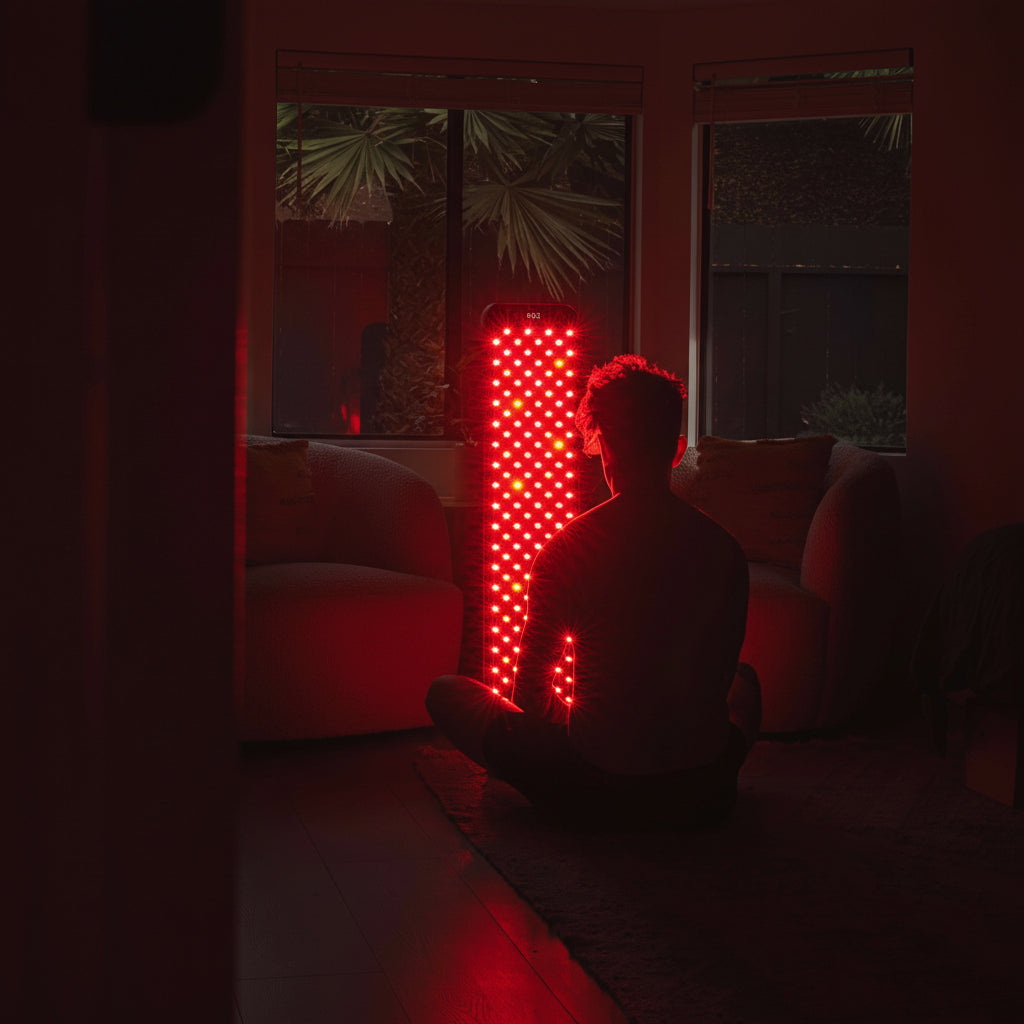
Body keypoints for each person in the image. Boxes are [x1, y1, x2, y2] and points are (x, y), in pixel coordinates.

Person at [426, 354, 760, 828]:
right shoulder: (726, 550)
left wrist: (583, 723)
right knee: (749, 685)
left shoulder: (568, 550)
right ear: (678, 448)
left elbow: (530, 694)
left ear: (601, 443)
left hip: (596, 787)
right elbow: (721, 679)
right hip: (701, 789)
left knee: (446, 692)